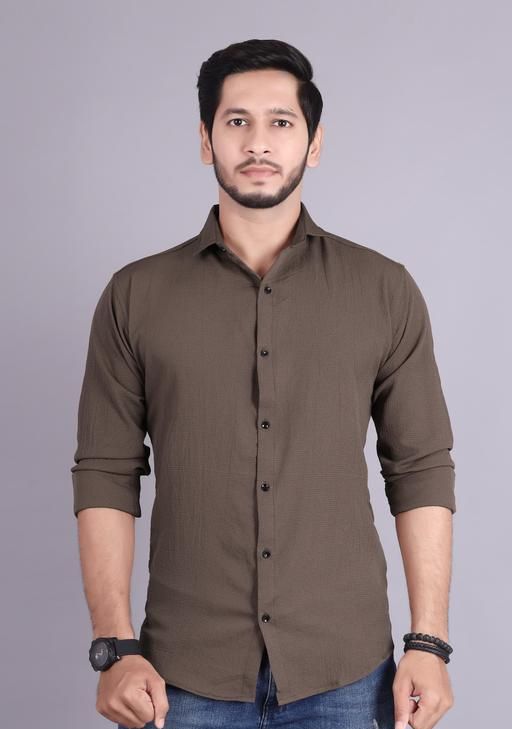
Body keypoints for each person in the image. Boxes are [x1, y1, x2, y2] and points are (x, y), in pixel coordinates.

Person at [71, 38, 456, 729]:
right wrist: (115, 647)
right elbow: (105, 472)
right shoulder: (135, 296)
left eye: (281, 121)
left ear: (314, 143)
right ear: (205, 140)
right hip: (183, 675)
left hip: (345, 671)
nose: (258, 142)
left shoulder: (384, 290)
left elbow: (420, 467)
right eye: (236, 121)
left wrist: (428, 643)